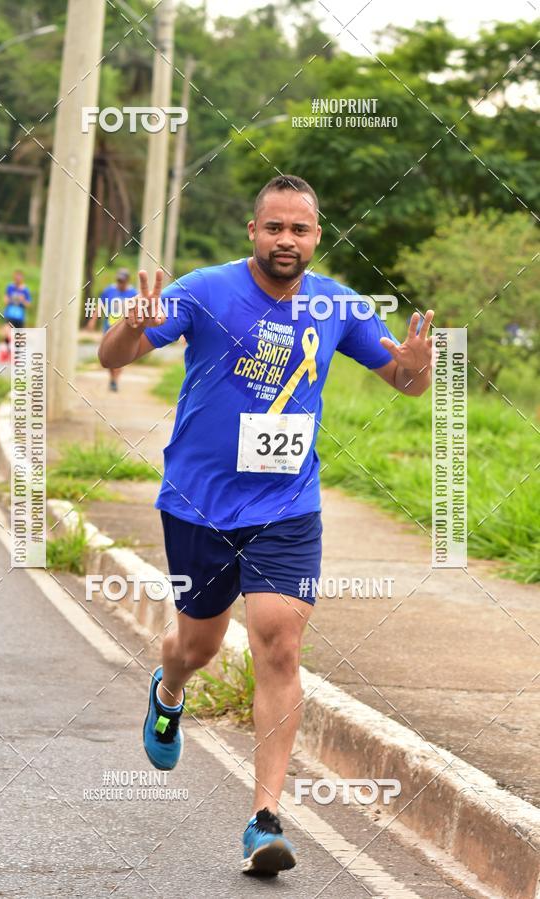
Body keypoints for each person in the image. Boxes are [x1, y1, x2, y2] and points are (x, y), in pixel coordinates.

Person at [98, 174, 434, 875]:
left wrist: (416, 368)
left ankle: (264, 819)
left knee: (279, 640)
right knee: (198, 643)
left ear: (317, 236)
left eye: (301, 229)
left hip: (287, 506)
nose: (287, 239)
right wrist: (132, 322)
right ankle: (169, 689)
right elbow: (112, 357)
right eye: (274, 227)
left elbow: (401, 380)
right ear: (253, 232)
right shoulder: (204, 290)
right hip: (198, 503)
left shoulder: (336, 302)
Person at [86, 268, 137, 391]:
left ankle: (115, 380)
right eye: (119, 281)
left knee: (120, 356)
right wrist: (93, 320)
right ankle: (113, 377)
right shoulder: (109, 290)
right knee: (109, 357)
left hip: (125, 329)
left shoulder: (133, 293)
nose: (120, 283)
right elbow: (100, 305)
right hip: (109, 329)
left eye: (122, 281)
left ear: (127, 281)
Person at [0, 270, 32, 363]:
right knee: (6, 332)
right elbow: (5, 299)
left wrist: (22, 300)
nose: (17, 279)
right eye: (16, 277)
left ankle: (17, 356)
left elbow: (28, 304)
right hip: (9, 314)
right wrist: (10, 299)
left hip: (19, 316)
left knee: (19, 337)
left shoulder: (25, 290)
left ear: (22, 278)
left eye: (19, 277)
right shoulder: (10, 287)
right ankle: (5, 352)